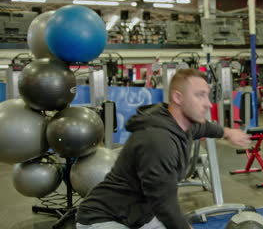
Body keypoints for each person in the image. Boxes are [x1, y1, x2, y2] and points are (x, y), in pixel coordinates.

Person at [76, 69, 252, 229]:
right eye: (200, 95)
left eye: (207, 95)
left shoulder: (181, 124)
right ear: (177, 98)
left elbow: (204, 127)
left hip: (140, 216)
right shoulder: (158, 142)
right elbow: (164, 205)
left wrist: (228, 133)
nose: (208, 104)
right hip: (104, 219)